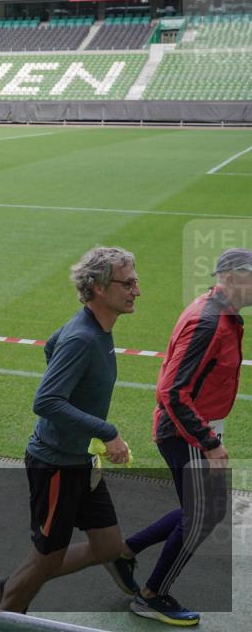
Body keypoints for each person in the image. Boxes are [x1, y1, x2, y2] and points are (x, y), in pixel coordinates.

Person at [106, 248, 250, 626]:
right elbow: (172, 392)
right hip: (184, 431)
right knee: (202, 514)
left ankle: (124, 551)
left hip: (194, 428)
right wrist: (210, 442)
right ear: (232, 279)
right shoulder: (209, 322)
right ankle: (151, 596)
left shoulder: (225, 315)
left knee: (206, 510)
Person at [0, 247, 139, 613]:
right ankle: (9, 611)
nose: (137, 290)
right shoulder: (83, 338)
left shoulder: (94, 330)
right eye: (128, 283)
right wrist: (106, 431)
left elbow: (49, 346)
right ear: (100, 289)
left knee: (107, 547)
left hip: (79, 461)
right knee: (47, 558)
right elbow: (45, 401)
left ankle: (13, 584)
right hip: (56, 464)